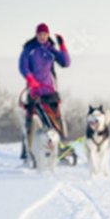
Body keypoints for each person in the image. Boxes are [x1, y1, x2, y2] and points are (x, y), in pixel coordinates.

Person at [19, 23, 71, 161]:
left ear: (48, 35)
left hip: (49, 90)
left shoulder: (51, 49)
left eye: (44, 35)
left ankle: (63, 150)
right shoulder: (29, 50)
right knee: (31, 122)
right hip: (33, 92)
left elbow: (66, 63)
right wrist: (30, 79)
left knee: (56, 121)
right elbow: (23, 66)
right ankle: (27, 153)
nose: (42, 37)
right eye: (40, 34)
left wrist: (63, 47)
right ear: (36, 35)